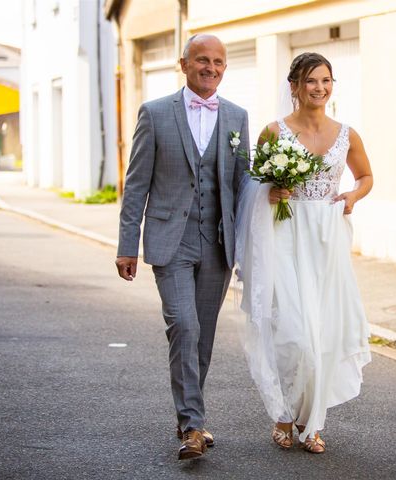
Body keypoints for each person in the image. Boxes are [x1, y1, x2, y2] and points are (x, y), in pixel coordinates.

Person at [115, 34, 249, 461]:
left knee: (204, 337)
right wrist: (127, 245)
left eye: (218, 62)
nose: (211, 67)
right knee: (184, 328)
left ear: (225, 68)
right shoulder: (155, 114)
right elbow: (135, 184)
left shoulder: (237, 116)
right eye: (202, 60)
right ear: (184, 63)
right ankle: (193, 426)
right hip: (170, 241)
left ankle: (187, 414)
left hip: (217, 244)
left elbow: (242, 183)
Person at [235, 52, 373, 454]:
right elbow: (250, 185)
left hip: (326, 239)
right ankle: (282, 414)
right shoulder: (274, 132)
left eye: (326, 81)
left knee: (324, 334)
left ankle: (312, 424)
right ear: (294, 86)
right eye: (311, 81)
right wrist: (270, 191)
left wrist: (352, 195)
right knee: (293, 334)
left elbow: (366, 177)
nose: (319, 88)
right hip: (283, 234)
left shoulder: (348, 134)